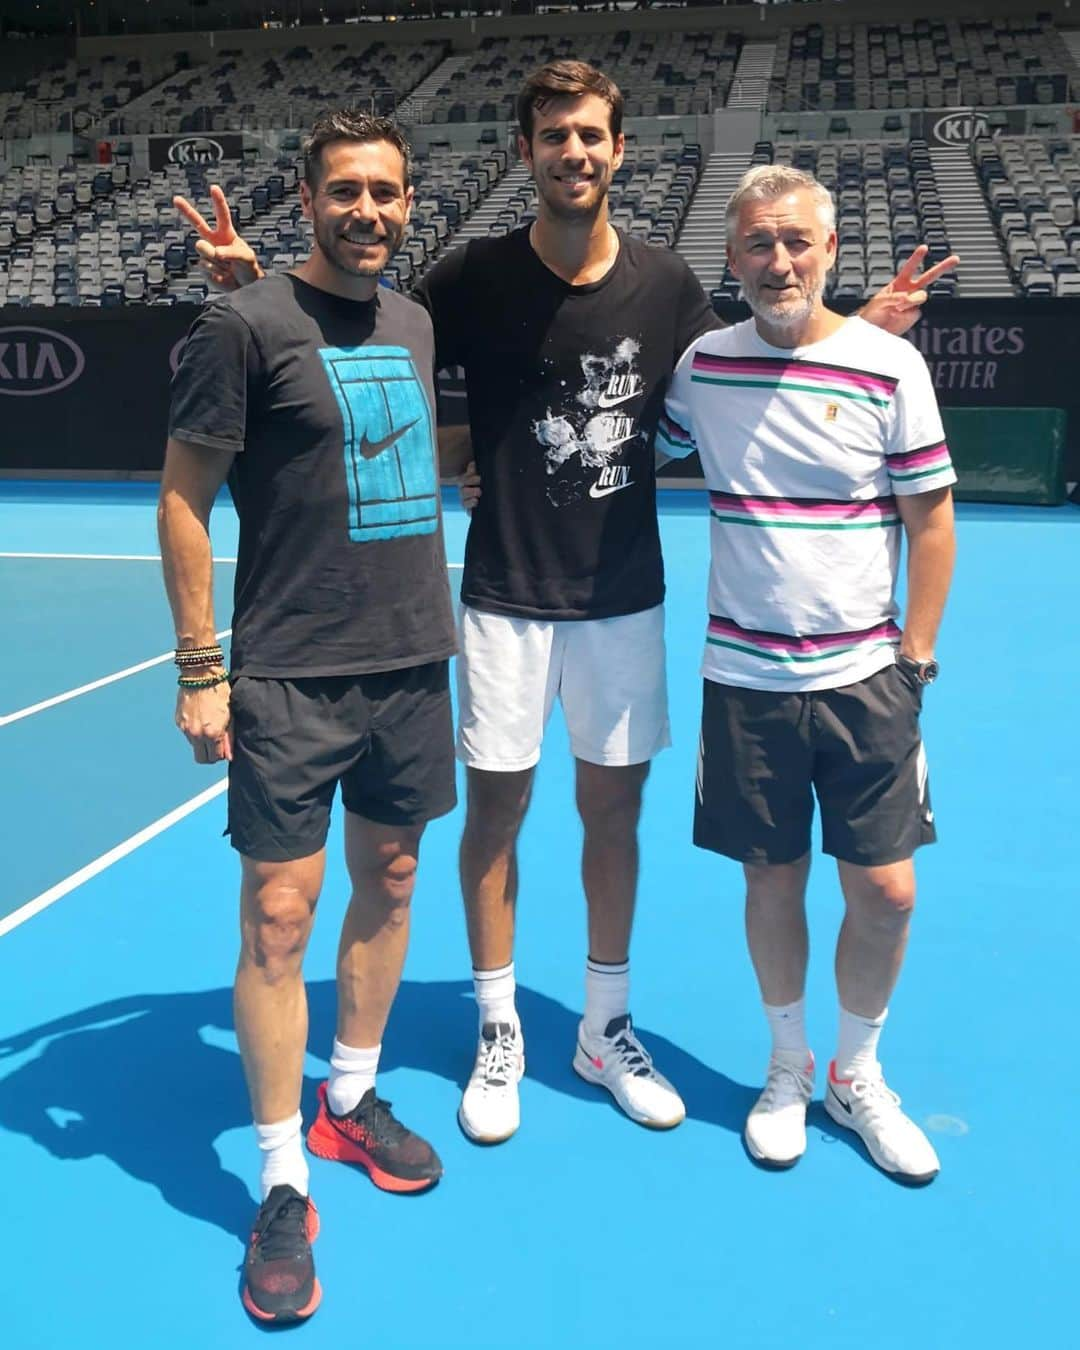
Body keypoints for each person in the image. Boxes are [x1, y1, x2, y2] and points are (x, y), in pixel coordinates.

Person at [177, 64, 956, 1151]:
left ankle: (602, 1024)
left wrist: (857, 326)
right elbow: (347, 329)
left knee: (611, 818)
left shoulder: (670, 287)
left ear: (619, 149)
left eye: (591, 134)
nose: (574, 152)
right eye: (554, 135)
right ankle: (501, 1023)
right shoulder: (467, 278)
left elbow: (768, 359)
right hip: (498, 597)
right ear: (527, 151)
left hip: (623, 600)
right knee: (493, 817)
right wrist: (262, 284)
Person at [158, 110, 460, 1324]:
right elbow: (184, 505)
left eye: (387, 192)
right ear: (306, 198)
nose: (370, 211)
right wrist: (199, 666)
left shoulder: (416, 319)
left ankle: (351, 1099)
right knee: (280, 919)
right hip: (287, 672)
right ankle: (282, 1176)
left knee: (389, 881)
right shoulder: (239, 326)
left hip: (409, 662)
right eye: (346, 191)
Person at [658, 164, 956, 1183]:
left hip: (869, 680)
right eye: (757, 244)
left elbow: (931, 518)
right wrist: (483, 459)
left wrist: (915, 656)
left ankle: (856, 1073)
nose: (778, 260)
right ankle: (788, 1065)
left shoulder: (888, 366)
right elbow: (622, 451)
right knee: (770, 877)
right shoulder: (703, 366)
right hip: (744, 681)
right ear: (731, 257)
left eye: (797, 242)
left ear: (829, 251)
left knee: (888, 891)